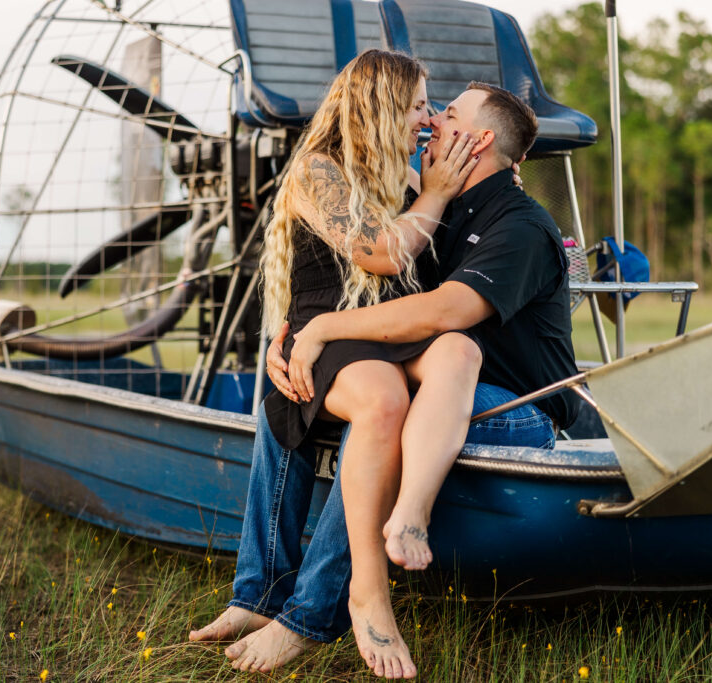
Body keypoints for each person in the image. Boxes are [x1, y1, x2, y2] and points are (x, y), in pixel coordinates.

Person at [193, 78, 578, 677]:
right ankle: (257, 594)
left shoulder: (516, 223)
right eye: (424, 108)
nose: (431, 121)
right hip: (445, 384)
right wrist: (293, 329)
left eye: (445, 113)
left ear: (475, 140)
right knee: (299, 388)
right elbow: (354, 272)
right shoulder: (437, 203)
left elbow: (441, 310)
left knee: (381, 408)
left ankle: (315, 612)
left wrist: (319, 331)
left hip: (519, 409)